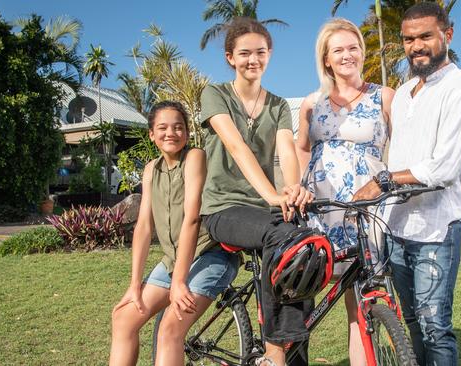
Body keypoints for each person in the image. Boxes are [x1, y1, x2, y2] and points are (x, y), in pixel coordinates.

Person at [353, 3, 461, 365]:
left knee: (435, 328)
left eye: (425, 36)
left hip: (436, 229)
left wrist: (383, 182)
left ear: (447, 35)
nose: (416, 46)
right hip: (397, 228)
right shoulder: (405, 92)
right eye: (409, 39)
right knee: (409, 322)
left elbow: (444, 168)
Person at [198, 17, 318, 366]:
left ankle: (292, 356)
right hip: (224, 207)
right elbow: (237, 147)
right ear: (230, 58)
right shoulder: (215, 94)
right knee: (280, 234)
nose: (254, 60)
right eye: (245, 53)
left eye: (261, 52)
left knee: (302, 242)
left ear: (270, 55)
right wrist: (272, 196)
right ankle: (273, 353)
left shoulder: (278, 105)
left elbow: (286, 149)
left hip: (264, 207)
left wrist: (294, 189)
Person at [295, 18, 394, 366]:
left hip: (367, 208)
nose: (347, 54)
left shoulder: (385, 96)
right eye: (338, 49)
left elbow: (401, 147)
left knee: (361, 301)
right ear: (326, 58)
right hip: (322, 208)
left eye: (353, 47)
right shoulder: (312, 102)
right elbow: (302, 148)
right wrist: (301, 185)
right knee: (304, 294)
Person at [109, 101, 239, 365]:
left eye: (178, 127)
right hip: (172, 261)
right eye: (163, 127)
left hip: (210, 256)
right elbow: (144, 226)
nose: (171, 133)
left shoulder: (195, 157)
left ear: (187, 133)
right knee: (123, 317)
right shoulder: (150, 170)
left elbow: (192, 218)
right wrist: (134, 285)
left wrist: (179, 282)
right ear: (152, 134)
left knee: (170, 329)